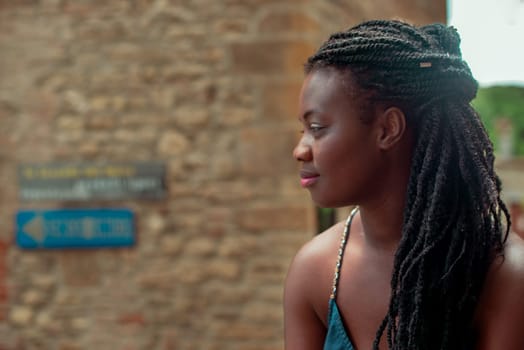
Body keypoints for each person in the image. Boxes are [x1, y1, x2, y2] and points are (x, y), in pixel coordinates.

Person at [284, 19, 524, 350]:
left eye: (317, 127)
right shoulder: (314, 272)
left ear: (387, 129)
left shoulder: (504, 275)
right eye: (303, 131)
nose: (300, 150)